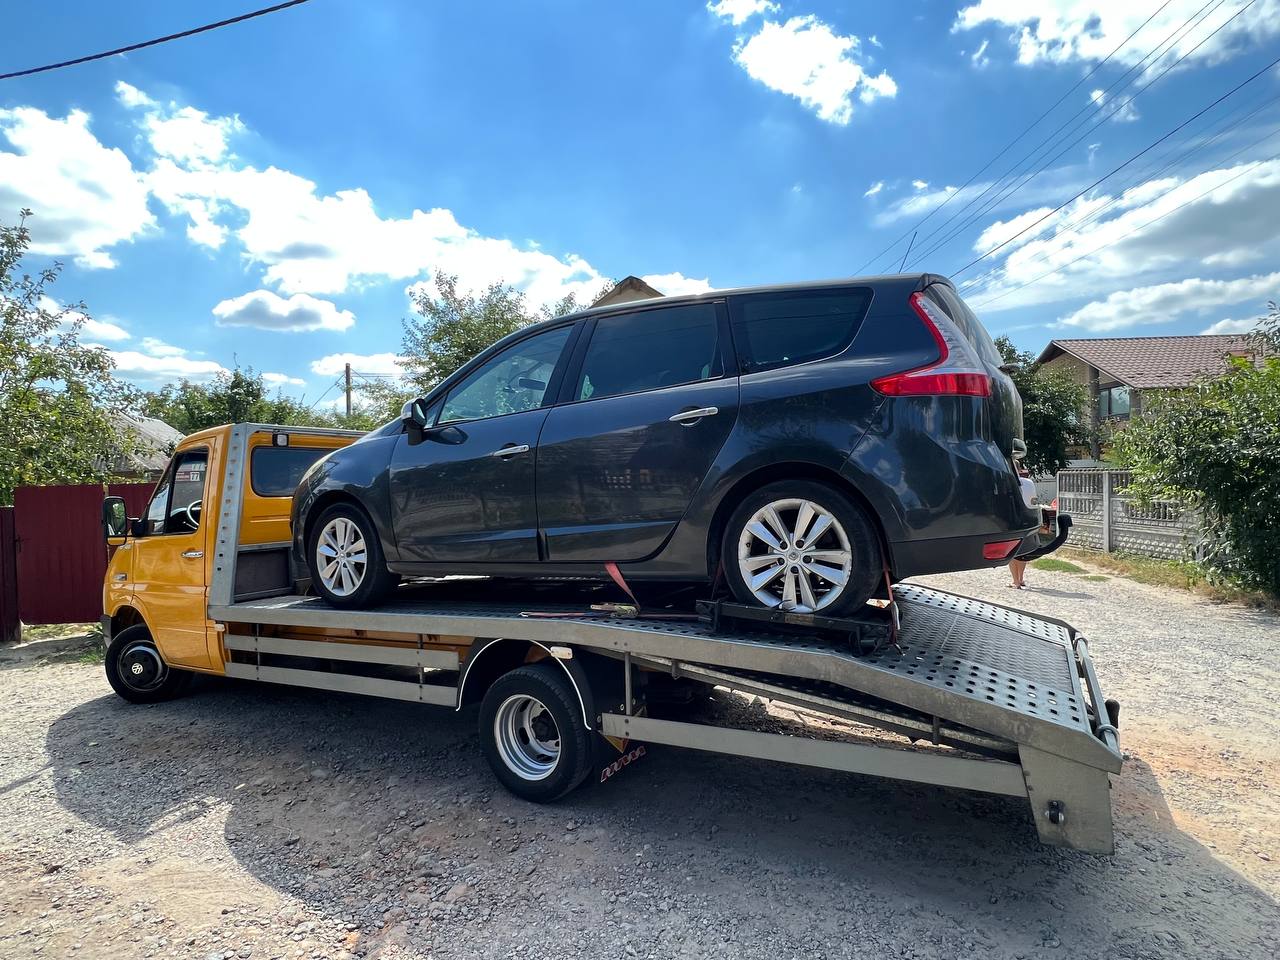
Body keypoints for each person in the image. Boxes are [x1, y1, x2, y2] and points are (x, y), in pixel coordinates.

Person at [1008, 465, 1037, 589]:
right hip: (1028, 519)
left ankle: (1015, 581)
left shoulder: (1007, 482)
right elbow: (1034, 501)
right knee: (1024, 550)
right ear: (1020, 470)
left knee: (1012, 551)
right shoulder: (1029, 483)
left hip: (1012, 519)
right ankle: (1020, 578)